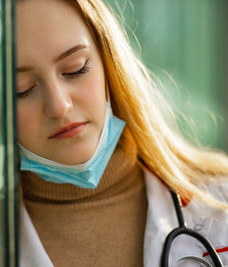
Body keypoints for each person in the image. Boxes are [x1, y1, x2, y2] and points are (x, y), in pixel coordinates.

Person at [15, 0, 228, 266]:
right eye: (21, 89)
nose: (60, 106)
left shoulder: (222, 201)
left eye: (76, 68)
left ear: (110, 65)